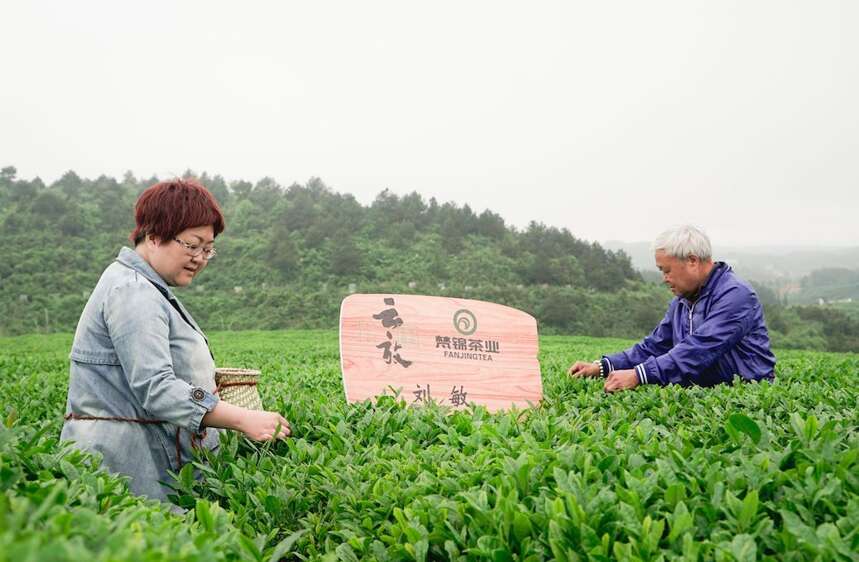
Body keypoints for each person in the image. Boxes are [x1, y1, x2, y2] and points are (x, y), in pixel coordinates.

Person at [60, 178, 291, 502]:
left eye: (208, 249)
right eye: (192, 245)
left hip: (139, 458)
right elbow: (156, 386)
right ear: (154, 236)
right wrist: (242, 419)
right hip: (124, 466)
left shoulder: (145, 286)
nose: (199, 258)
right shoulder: (134, 292)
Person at [568, 225, 776, 392]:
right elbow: (654, 346)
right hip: (702, 394)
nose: (664, 279)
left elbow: (699, 348)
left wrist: (639, 375)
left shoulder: (736, 295)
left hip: (745, 394)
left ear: (692, 261)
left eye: (667, 270)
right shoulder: (683, 300)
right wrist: (604, 366)